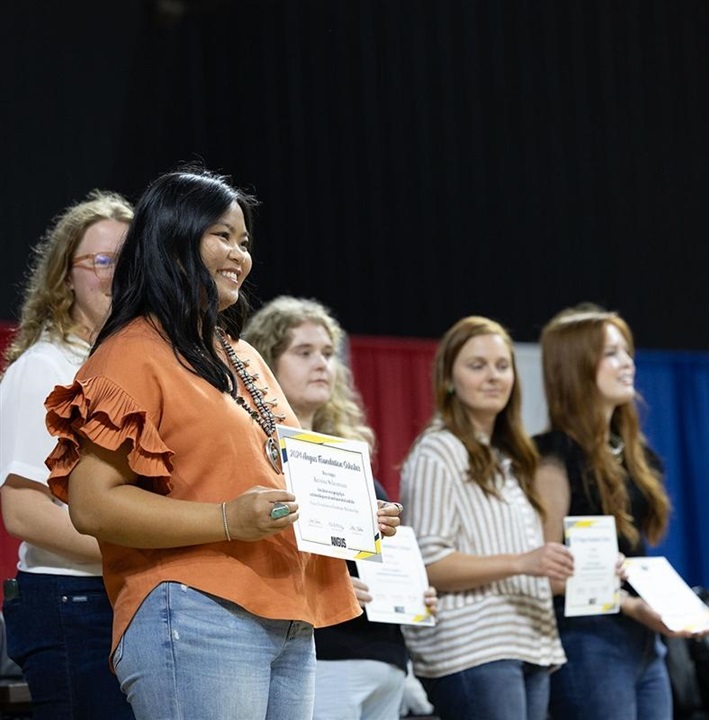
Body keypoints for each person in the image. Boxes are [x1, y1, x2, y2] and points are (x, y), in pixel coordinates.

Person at [42, 165, 400, 720]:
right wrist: (228, 519)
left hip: (287, 614)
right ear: (174, 239)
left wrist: (350, 514)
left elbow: (279, 472)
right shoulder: (130, 353)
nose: (240, 254)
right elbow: (91, 503)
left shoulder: (244, 354)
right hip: (194, 608)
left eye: (244, 241)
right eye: (222, 236)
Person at [243, 294, 436, 720]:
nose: (321, 364)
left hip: (386, 660)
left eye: (328, 354)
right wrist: (333, 586)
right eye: (304, 352)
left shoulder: (350, 459)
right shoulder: (256, 455)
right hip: (325, 656)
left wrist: (411, 592)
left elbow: (380, 561)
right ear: (263, 364)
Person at [0, 190, 135, 719]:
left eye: (131, 260)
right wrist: (141, 551)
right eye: (103, 261)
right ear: (65, 277)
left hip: (129, 597)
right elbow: (23, 510)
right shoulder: (45, 368)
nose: (118, 274)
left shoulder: (137, 366)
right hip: (72, 604)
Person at [399, 315, 574, 720]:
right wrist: (523, 562)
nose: (493, 376)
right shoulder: (437, 450)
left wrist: (577, 571)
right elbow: (428, 563)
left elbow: (531, 567)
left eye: (502, 365)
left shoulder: (510, 459)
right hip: (474, 648)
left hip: (531, 640)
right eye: (477, 365)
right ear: (448, 378)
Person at [533, 304, 695, 720]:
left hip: (645, 640)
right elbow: (545, 571)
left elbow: (638, 551)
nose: (627, 363)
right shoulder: (552, 456)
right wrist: (629, 604)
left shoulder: (639, 455)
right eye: (611, 353)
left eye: (626, 351)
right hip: (588, 637)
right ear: (575, 366)